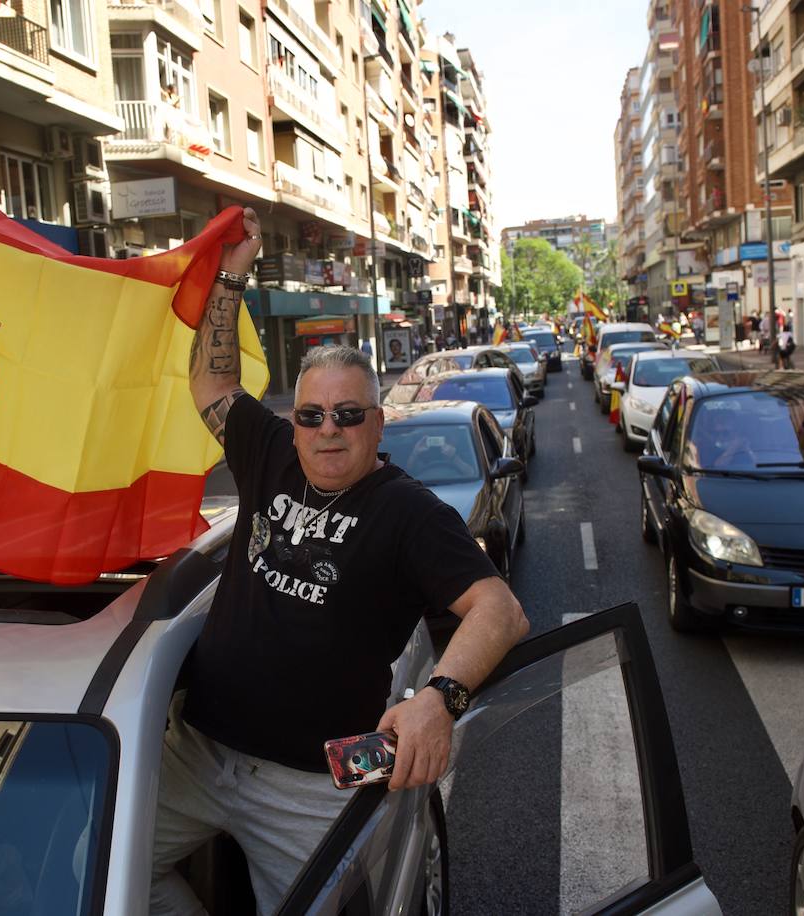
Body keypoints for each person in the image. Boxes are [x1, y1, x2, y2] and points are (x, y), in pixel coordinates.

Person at [153, 208, 529, 916]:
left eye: (349, 415)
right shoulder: (269, 454)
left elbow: (499, 609)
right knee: (93, 868)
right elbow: (211, 381)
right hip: (196, 755)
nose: (329, 430)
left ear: (377, 425)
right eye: (313, 415)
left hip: (308, 789)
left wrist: (437, 699)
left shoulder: (408, 511)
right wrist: (233, 273)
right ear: (293, 423)